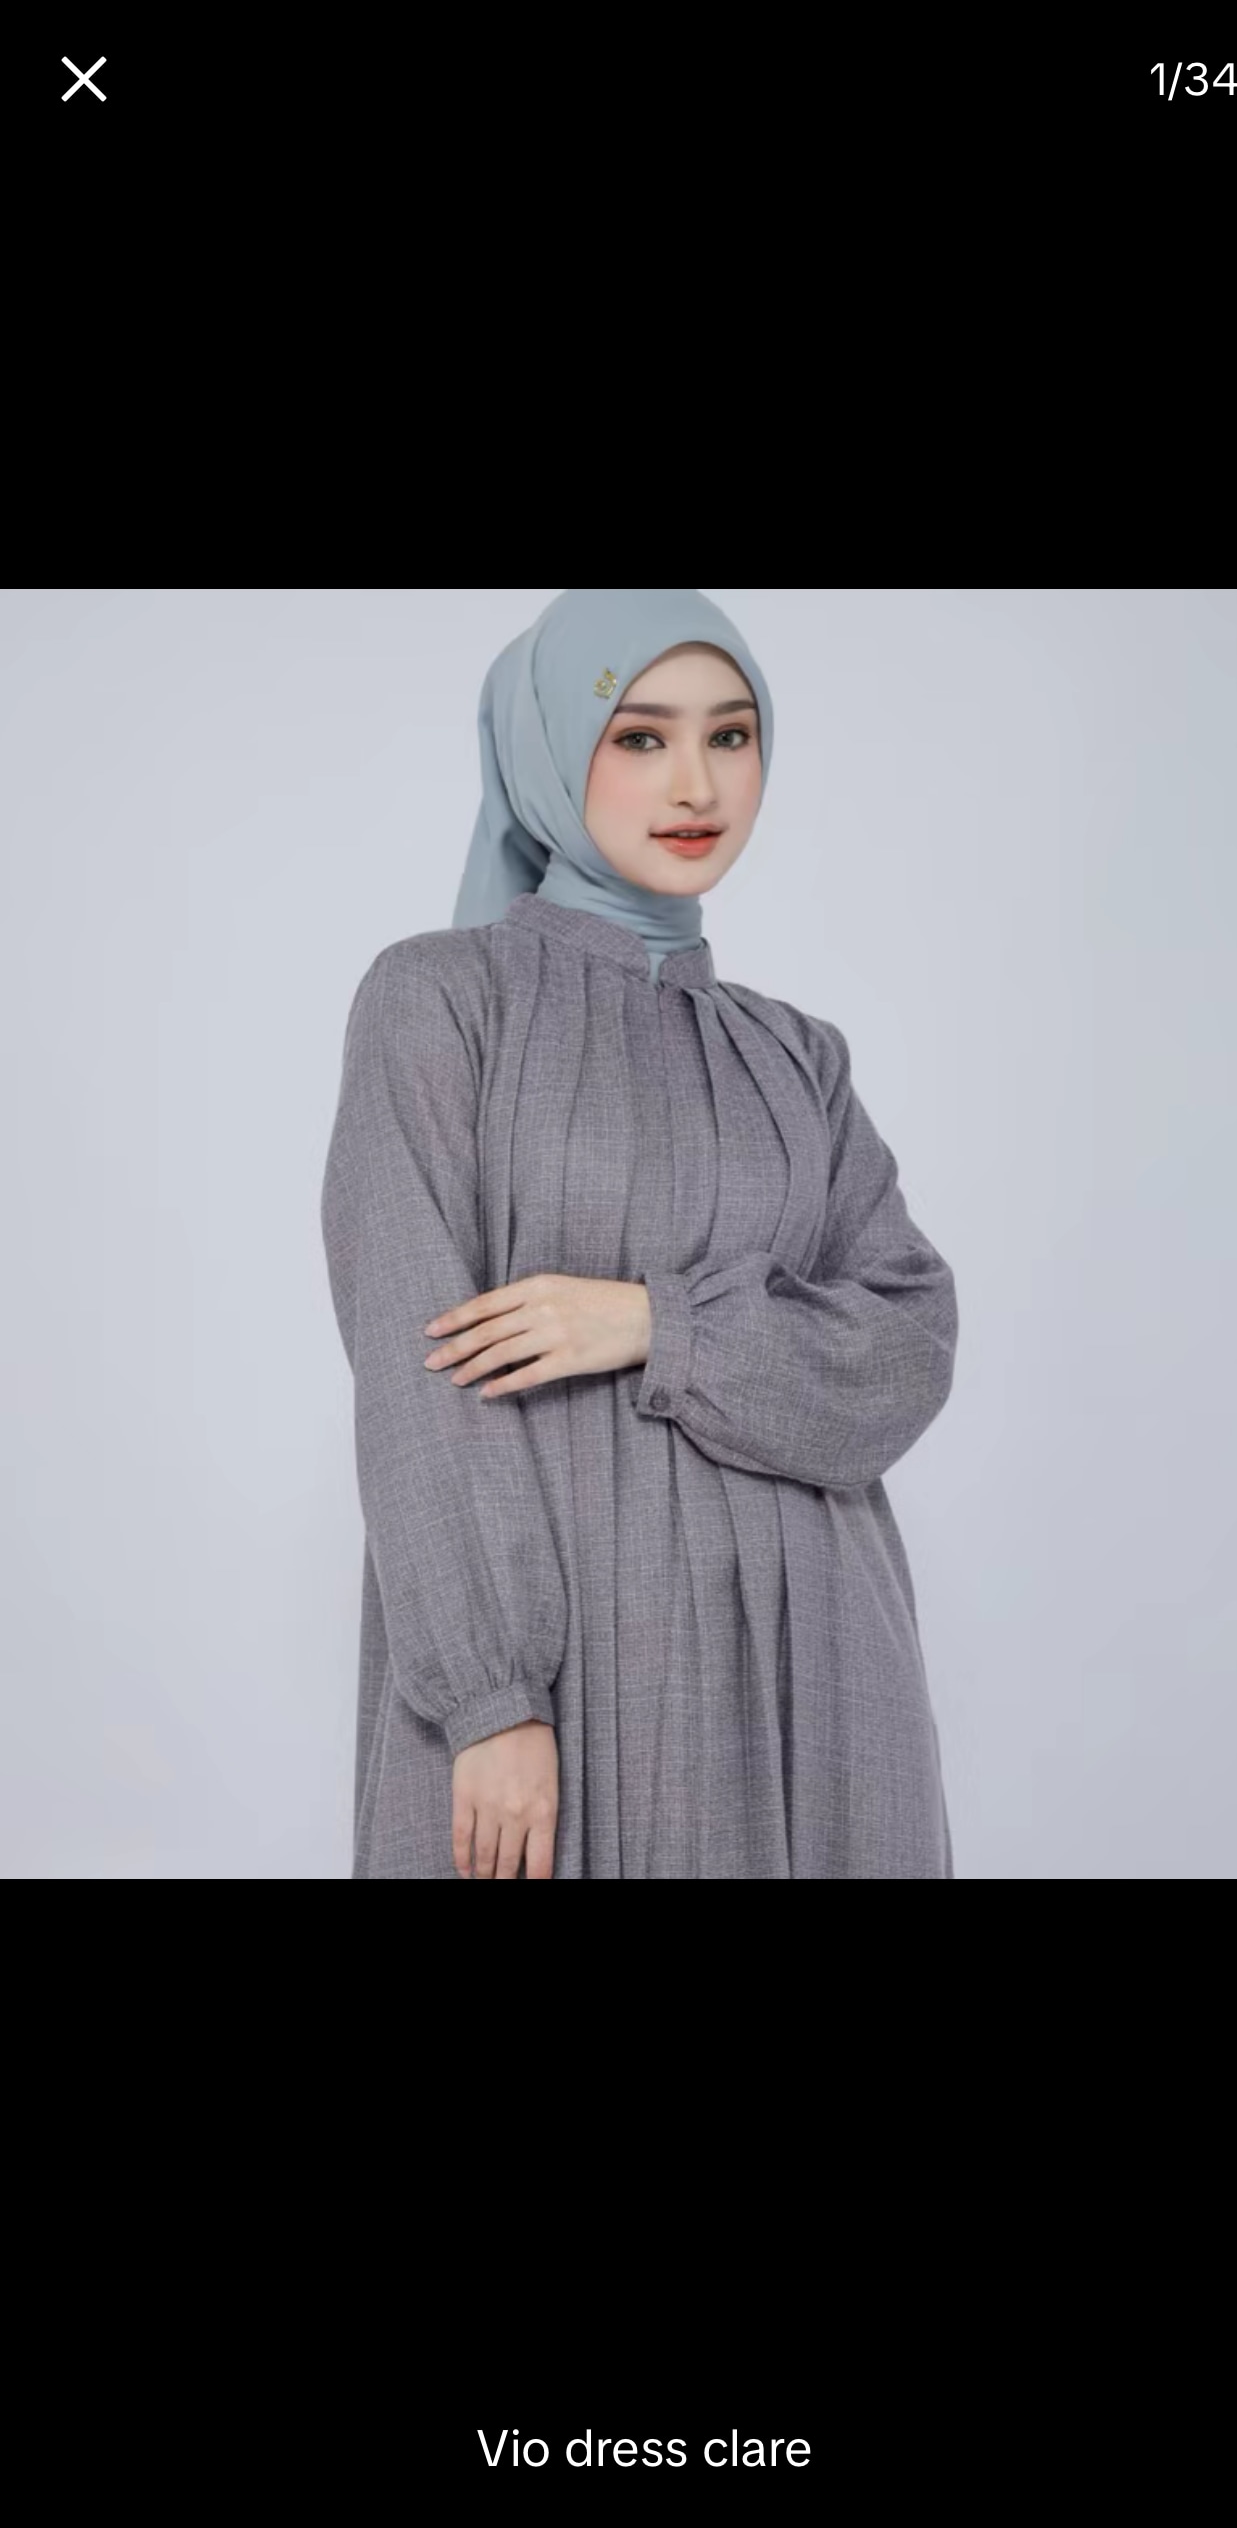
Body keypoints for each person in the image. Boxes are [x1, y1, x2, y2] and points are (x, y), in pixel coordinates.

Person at [320, 588, 959, 1879]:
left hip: (821, 1686)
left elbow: (908, 1345)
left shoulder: (799, 1059)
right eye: (641, 736)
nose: (695, 784)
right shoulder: (438, 1002)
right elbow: (412, 1370)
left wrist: (654, 1324)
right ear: (555, 748)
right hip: (561, 1681)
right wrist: (492, 1697)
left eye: (730, 736)